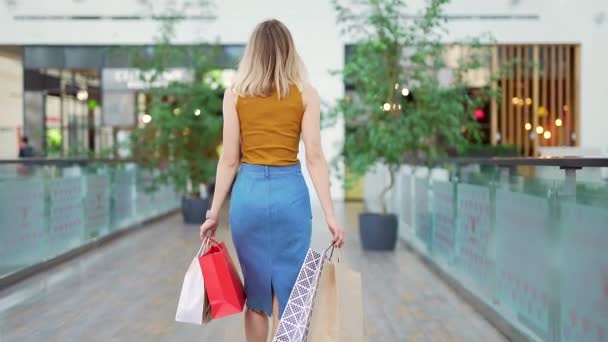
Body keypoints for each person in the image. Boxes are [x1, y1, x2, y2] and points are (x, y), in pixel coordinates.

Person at [199, 19, 345, 342]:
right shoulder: (306, 95)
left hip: (248, 196)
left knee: (255, 297)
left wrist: (212, 214)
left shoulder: (234, 95)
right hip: (289, 196)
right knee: (290, 295)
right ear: (289, 52)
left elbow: (229, 160)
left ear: (253, 54)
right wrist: (332, 217)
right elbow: (315, 157)